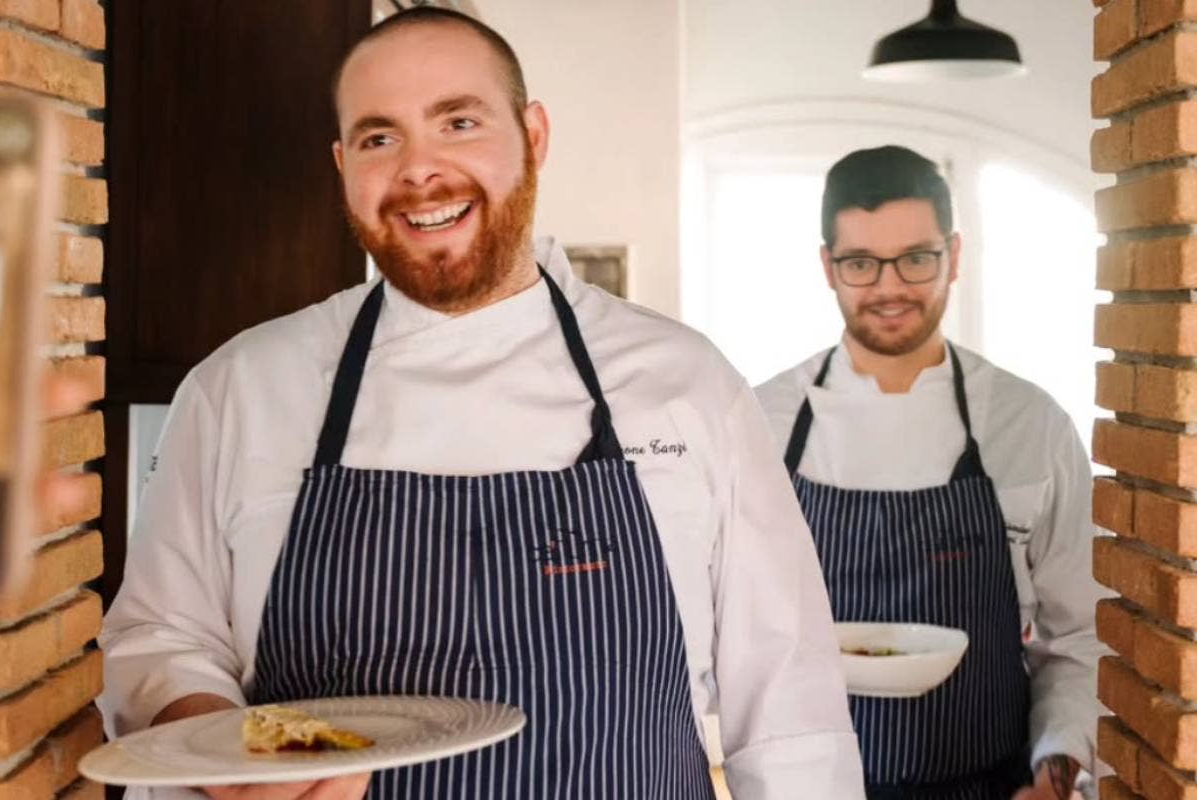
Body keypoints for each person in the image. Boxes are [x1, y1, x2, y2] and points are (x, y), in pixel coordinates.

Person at [97, 9, 865, 799]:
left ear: (533, 136)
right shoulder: (239, 390)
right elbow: (161, 639)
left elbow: (788, 713)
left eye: (458, 122)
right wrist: (225, 758)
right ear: (341, 163)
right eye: (378, 137)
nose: (419, 171)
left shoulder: (687, 384)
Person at [755, 145, 1107, 800]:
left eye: (917, 258)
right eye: (862, 263)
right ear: (828, 267)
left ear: (955, 257)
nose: (890, 287)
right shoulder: (761, 423)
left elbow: (1081, 637)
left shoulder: (1031, 426)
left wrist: (1057, 771)